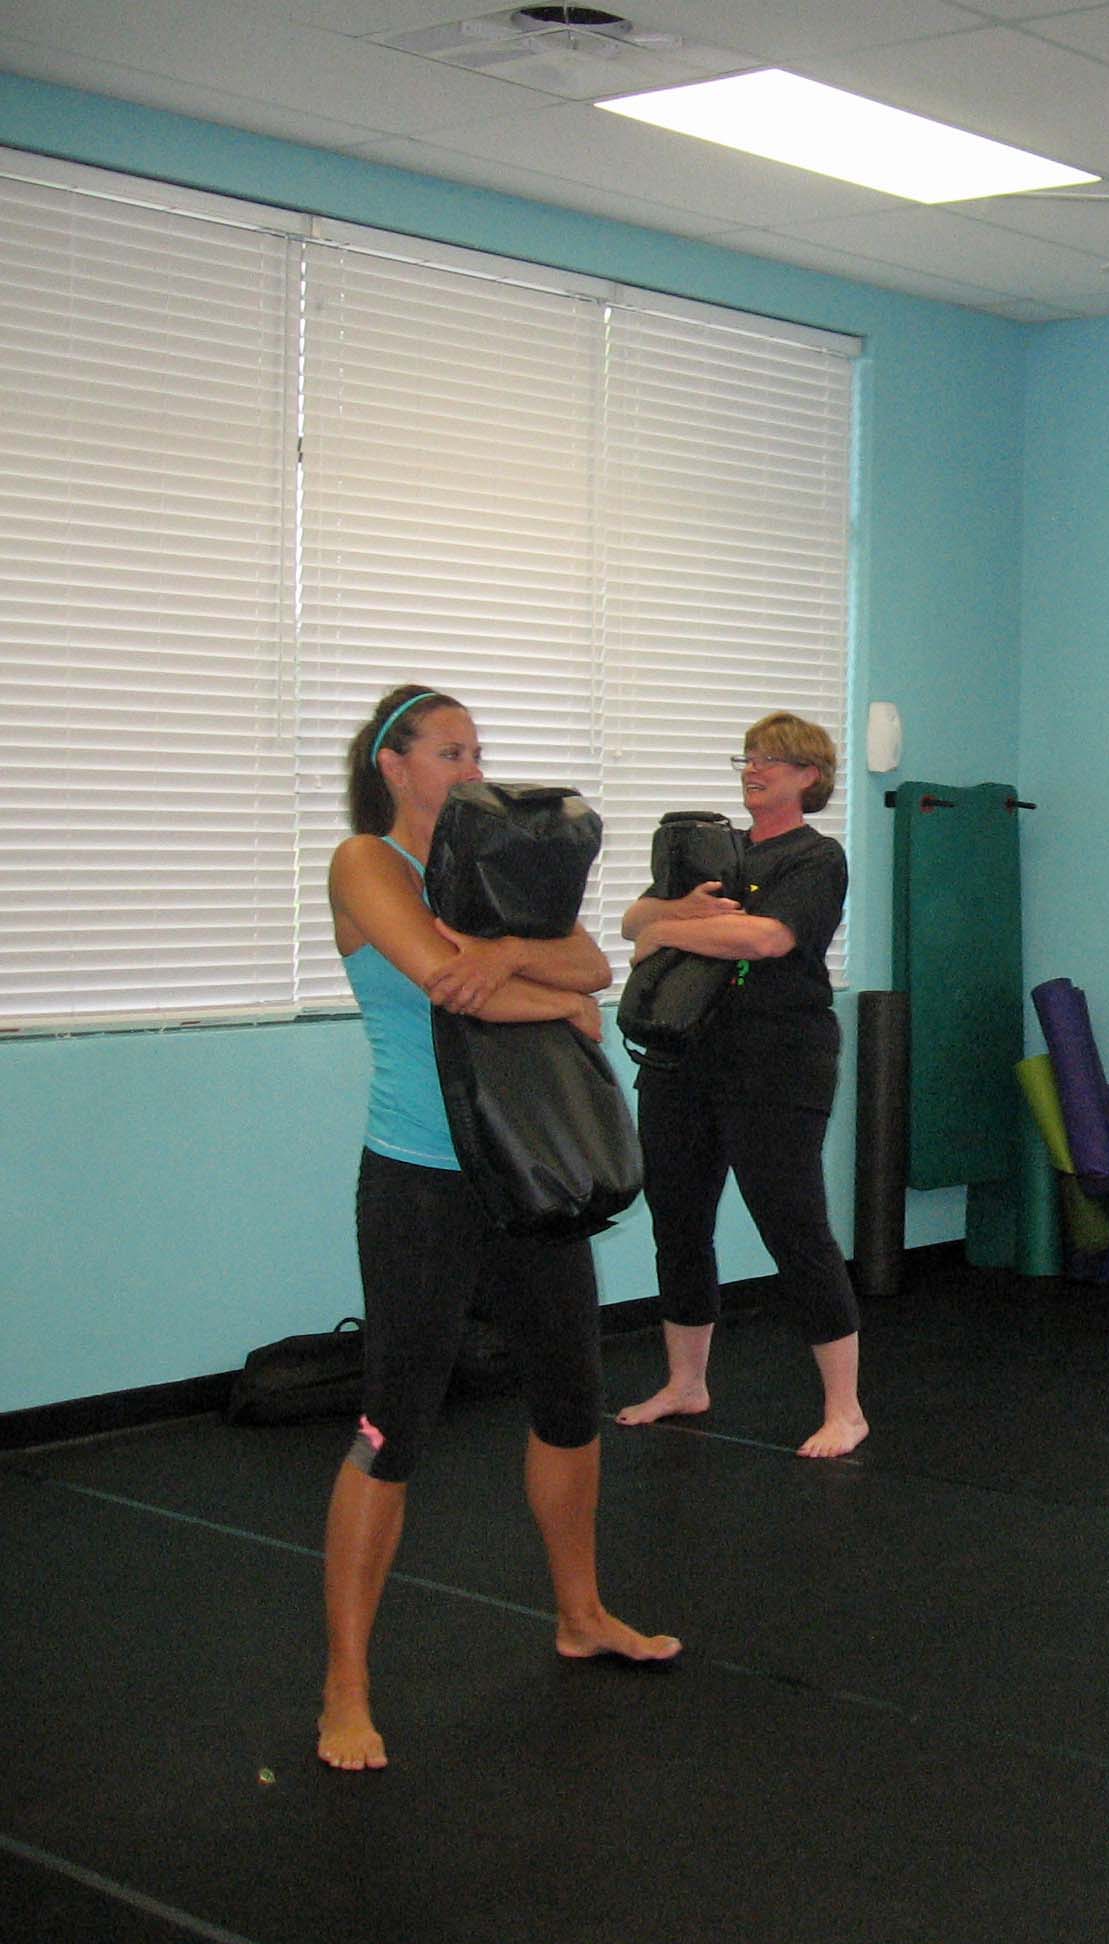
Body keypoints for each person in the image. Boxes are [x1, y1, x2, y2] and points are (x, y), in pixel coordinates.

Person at [322, 684, 680, 1772]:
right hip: (423, 1184)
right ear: (394, 764)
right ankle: (346, 1684)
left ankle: (581, 1614)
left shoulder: (499, 869)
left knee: (572, 1405)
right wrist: (539, 988)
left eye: (478, 750)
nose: (471, 768)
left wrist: (520, 965)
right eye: (449, 751)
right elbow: (446, 986)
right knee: (395, 1426)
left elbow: (595, 967)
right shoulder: (365, 866)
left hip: (529, 1178)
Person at [615, 713, 863, 1460]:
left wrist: (668, 930)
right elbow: (634, 918)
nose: (753, 771)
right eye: (747, 758)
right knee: (678, 1220)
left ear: (807, 776)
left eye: (770, 761)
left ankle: (845, 1410)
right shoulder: (714, 851)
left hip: (778, 1060)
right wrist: (666, 921)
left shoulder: (816, 857)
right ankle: (686, 1384)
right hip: (685, 1056)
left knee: (792, 1224)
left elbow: (766, 938)